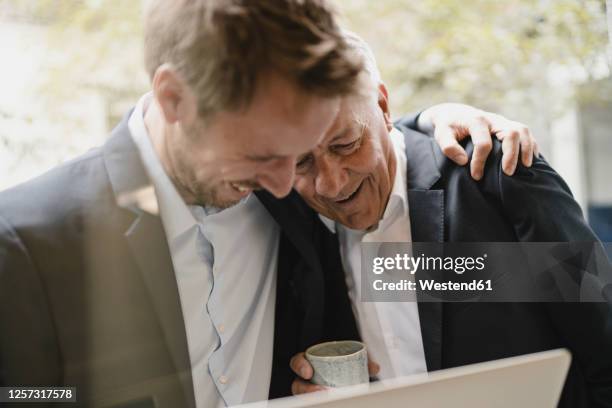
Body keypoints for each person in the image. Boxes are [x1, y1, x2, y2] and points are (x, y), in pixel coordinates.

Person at [0, 2, 538, 407]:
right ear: (175, 100)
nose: (293, 184)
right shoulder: (24, 244)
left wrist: (425, 126)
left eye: (299, 154)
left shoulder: (308, 195)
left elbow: (565, 294)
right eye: (265, 155)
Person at [287, 33, 612, 407]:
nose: (330, 184)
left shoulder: (499, 175)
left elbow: (604, 347)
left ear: (382, 105)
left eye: (346, 144)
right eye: (301, 162)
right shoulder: (295, 226)